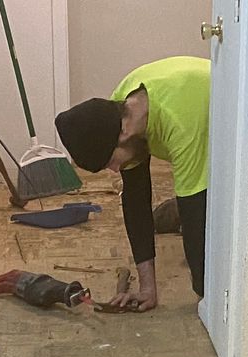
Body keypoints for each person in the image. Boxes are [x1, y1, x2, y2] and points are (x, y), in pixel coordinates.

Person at [53, 56, 210, 314]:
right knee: (162, 210)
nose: (114, 170)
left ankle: (178, 210)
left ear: (123, 133)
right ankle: (173, 211)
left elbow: (196, 215)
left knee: (201, 212)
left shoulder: (181, 128)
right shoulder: (121, 106)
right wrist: (147, 288)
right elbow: (135, 197)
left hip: (235, 120)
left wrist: (205, 294)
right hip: (189, 111)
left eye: (111, 162)